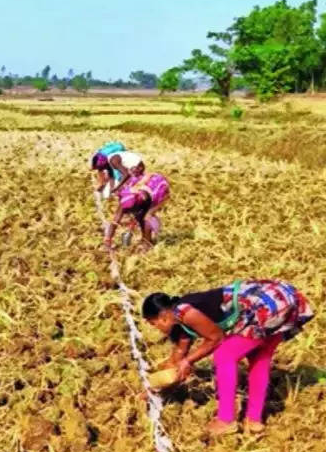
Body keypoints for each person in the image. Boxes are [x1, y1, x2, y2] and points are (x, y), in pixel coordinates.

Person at [143, 280, 314, 436]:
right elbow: (177, 358)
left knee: (224, 355)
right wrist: (153, 387)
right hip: (283, 299)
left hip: (265, 303)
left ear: (162, 316)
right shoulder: (181, 323)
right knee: (258, 358)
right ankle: (253, 420)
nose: (155, 328)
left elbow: (216, 338)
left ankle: (226, 420)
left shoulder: (184, 312)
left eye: (153, 323)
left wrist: (188, 362)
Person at [104, 170, 169, 251]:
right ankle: (145, 239)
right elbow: (115, 221)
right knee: (139, 216)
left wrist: (146, 243)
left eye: (131, 210)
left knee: (146, 217)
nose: (129, 213)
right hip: (142, 189)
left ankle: (147, 242)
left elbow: (145, 216)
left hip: (159, 189)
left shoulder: (153, 195)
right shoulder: (125, 198)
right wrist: (108, 239)